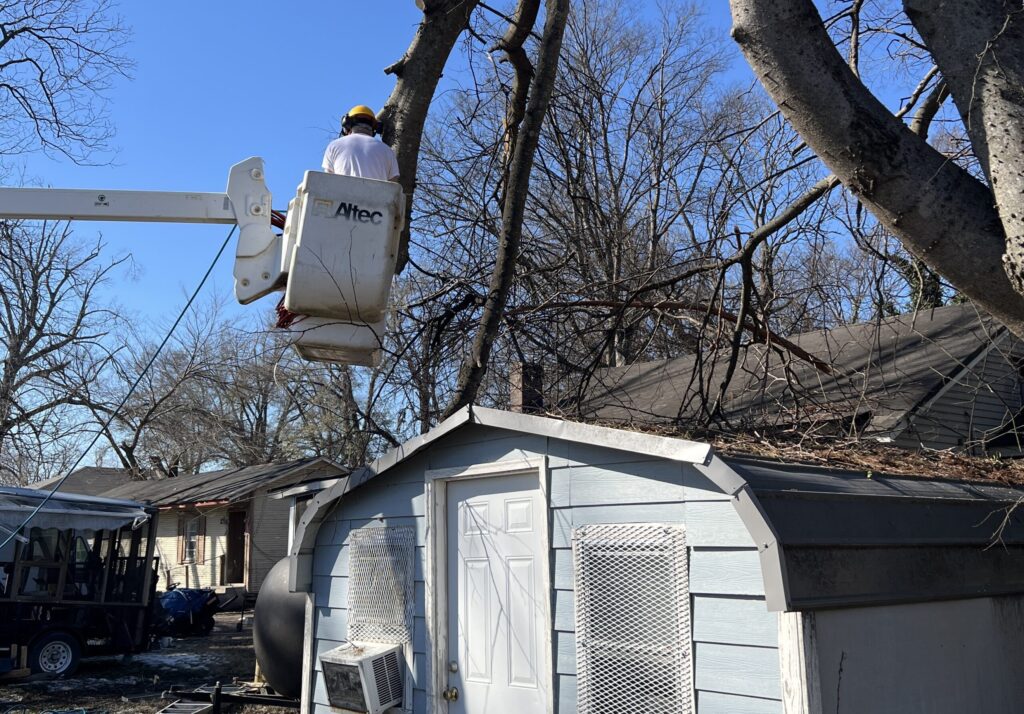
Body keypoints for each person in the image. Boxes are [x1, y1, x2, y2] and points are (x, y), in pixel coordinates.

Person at [321, 104, 399, 182]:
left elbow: (328, 181)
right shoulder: (387, 151)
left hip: (342, 194)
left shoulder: (334, 146)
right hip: (376, 194)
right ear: (374, 128)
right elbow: (393, 186)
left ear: (347, 125)